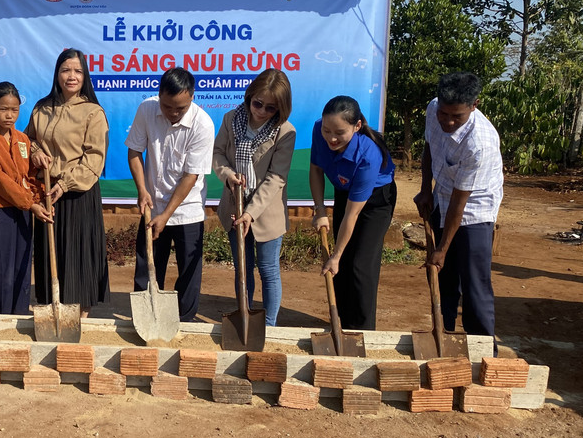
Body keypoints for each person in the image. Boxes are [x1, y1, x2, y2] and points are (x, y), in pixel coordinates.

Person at [414, 72, 503, 342]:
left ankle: (484, 351)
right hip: (442, 193)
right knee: (445, 279)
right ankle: (446, 336)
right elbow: (430, 145)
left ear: (474, 105)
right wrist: (425, 188)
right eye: (444, 114)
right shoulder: (433, 108)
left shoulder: (479, 144)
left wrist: (441, 249)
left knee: (474, 285)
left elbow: (460, 202)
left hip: (474, 207)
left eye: (457, 117)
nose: (448, 121)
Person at [126, 67, 215, 322]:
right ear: (159, 95)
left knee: (189, 271)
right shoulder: (146, 110)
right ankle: (144, 320)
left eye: (181, 108)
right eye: (168, 107)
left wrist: (166, 215)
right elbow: (134, 152)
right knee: (147, 267)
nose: (174, 113)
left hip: (187, 209)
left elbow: (191, 175)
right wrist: (142, 190)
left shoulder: (203, 124)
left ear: (192, 98)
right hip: (151, 205)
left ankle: (184, 322)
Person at [25, 49, 110, 316]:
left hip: (77, 193)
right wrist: (35, 149)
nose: (71, 76)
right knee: (52, 254)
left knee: (78, 257)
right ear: (57, 74)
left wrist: (66, 184)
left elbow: (94, 158)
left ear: (85, 76)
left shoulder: (93, 112)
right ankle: (53, 309)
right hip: (47, 191)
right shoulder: (42, 107)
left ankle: (80, 316)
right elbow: (28, 139)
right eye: (66, 70)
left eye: (78, 71)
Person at [212, 69, 296, 326]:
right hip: (234, 207)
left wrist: (251, 213)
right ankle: (245, 319)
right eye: (257, 103)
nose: (260, 111)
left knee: (268, 271)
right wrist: (227, 176)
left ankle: (268, 325)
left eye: (270, 108)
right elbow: (217, 154)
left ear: (280, 109)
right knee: (243, 269)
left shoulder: (285, 132)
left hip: (265, 213)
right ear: (249, 97)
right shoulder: (230, 119)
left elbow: (276, 177)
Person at [309, 95, 396, 330]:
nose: (331, 138)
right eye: (327, 130)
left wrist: (335, 256)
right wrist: (320, 210)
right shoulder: (320, 130)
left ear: (357, 126)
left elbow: (352, 215)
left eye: (339, 132)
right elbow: (316, 170)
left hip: (376, 200)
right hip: (344, 190)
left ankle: (363, 330)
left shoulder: (369, 155)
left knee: (359, 264)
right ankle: (342, 324)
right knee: (343, 264)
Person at [0, 82, 51, 315]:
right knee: (2, 267)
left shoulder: (22, 140)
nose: (9, 115)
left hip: (25, 209)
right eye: (3, 109)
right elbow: (0, 181)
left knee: (23, 265)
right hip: (0, 209)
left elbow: (28, 176)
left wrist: (40, 196)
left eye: (14, 110)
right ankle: (1, 318)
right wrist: (31, 203)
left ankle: (19, 314)